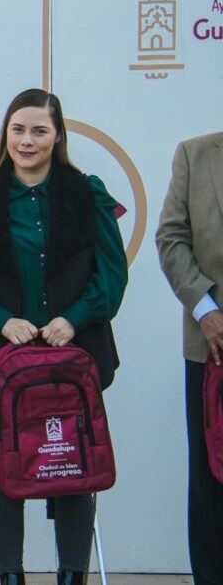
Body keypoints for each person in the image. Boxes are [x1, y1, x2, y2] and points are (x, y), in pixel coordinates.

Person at [0, 88, 127, 585]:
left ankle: (72, 577)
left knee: (74, 471)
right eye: (18, 129)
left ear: (58, 135)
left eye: (39, 130)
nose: (27, 140)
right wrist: (2, 320)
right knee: (7, 476)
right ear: (5, 134)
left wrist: (76, 316)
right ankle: (11, 578)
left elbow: (112, 277)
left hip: (76, 357)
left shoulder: (87, 194)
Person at [156, 132, 223, 585]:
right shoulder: (196, 153)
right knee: (212, 482)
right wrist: (207, 309)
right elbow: (172, 238)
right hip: (212, 344)